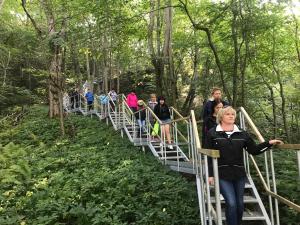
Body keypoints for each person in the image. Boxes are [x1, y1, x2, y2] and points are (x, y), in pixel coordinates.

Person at [205, 106, 283, 225]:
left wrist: (269, 143)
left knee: (240, 204)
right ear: (221, 117)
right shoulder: (212, 133)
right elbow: (208, 154)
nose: (231, 116)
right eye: (228, 114)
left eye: (233, 114)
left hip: (239, 174)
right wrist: (210, 174)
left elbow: (254, 150)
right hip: (221, 174)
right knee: (231, 203)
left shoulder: (242, 133)